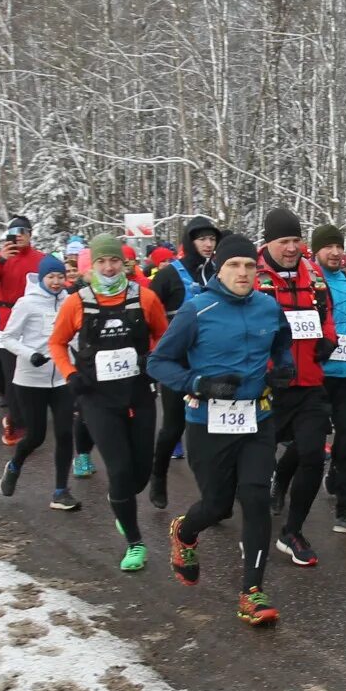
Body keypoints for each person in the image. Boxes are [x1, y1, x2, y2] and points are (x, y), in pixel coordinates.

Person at [150, 231, 295, 627]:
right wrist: (198, 384)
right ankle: (185, 531)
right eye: (234, 265)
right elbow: (159, 363)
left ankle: (252, 591)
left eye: (250, 265)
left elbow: (283, 343)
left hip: (257, 419)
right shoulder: (196, 310)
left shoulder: (268, 307)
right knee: (216, 506)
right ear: (219, 268)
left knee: (254, 497)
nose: (243, 272)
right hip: (208, 423)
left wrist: (283, 369)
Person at [49, 236, 168, 572]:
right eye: (102, 262)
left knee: (140, 473)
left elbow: (163, 333)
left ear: (124, 264)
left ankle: (121, 502)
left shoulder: (144, 297)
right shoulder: (76, 302)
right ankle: (134, 541)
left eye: (114, 261)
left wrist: (154, 357)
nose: (109, 267)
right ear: (92, 266)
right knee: (118, 470)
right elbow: (56, 343)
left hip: (139, 395)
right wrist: (70, 374)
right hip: (97, 398)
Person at [255, 207, 337, 568]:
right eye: (283, 241)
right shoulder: (253, 276)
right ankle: (249, 525)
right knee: (253, 464)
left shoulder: (313, 274)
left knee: (312, 456)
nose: (291, 248)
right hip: (267, 387)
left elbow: (326, 313)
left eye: (295, 240)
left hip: (309, 383)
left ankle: (292, 531)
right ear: (268, 242)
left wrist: (328, 341)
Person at [277, 222, 346, 537]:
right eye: (328, 246)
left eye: (339, 246)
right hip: (317, 374)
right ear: (314, 250)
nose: (335, 252)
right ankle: (281, 482)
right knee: (307, 443)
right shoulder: (308, 281)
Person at [148, 216, 224, 510]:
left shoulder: (219, 271)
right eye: (202, 239)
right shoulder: (168, 275)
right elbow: (148, 312)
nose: (208, 244)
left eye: (212, 239)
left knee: (212, 431)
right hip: (178, 365)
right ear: (189, 241)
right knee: (173, 426)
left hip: (211, 361)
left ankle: (214, 495)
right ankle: (158, 476)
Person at [0, 256, 80, 513]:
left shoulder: (71, 302)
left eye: (59, 277)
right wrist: (29, 353)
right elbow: (7, 338)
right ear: (41, 278)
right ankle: (14, 466)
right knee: (36, 436)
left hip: (63, 377)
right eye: (50, 277)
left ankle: (60, 491)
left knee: (66, 433)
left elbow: (76, 336)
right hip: (30, 380)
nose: (55, 282)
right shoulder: (26, 303)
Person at [0, 216, 43, 441]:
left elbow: (55, 283)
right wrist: (0, 259)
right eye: (15, 232)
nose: (19, 236)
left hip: (35, 322)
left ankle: (29, 415)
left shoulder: (41, 259)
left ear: (30, 234)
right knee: (12, 373)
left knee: (34, 371)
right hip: (7, 321)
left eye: (23, 231)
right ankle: (16, 422)